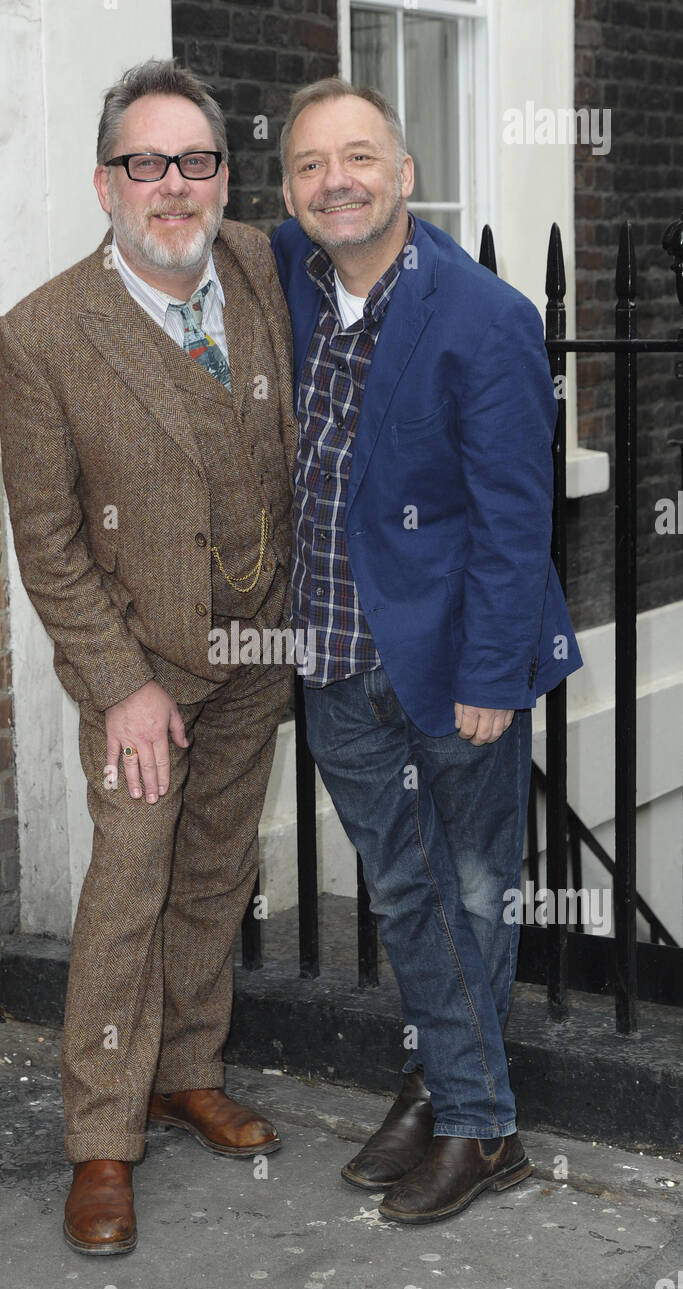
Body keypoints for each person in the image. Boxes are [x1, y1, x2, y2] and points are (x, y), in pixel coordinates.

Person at [0, 60, 297, 1255]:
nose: (174, 186)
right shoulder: (41, 337)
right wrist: (121, 686)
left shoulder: (257, 265)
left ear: (225, 175)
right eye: (146, 163)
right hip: (145, 670)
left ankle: (187, 1068)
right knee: (130, 887)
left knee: (219, 872)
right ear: (105, 182)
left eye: (197, 161)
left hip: (259, 646)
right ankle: (102, 1139)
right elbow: (51, 543)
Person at [272, 78, 582, 1224]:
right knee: (406, 895)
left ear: (405, 173)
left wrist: (497, 672)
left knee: (472, 889)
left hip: (455, 667)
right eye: (309, 163)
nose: (335, 179)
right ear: (289, 190)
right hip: (336, 658)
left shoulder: (483, 312)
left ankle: (478, 1126)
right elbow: (177, 217)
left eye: (359, 156)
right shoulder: (292, 286)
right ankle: (448, 1081)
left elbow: (516, 516)